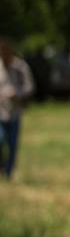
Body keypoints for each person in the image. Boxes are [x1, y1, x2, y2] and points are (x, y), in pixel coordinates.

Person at [0, 38, 37, 179]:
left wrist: (18, 94)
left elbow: (30, 87)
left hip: (15, 111)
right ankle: (1, 166)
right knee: (0, 139)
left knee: (12, 144)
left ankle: (8, 173)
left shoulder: (20, 66)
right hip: (0, 111)